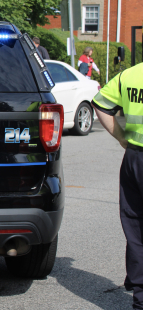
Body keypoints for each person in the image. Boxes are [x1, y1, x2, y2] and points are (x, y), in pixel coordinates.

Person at [91, 62, 143, 309]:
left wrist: (122, 138)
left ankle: (139, 295)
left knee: (135, 226)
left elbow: (100, 104)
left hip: (134, 159)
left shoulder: (130, 75)